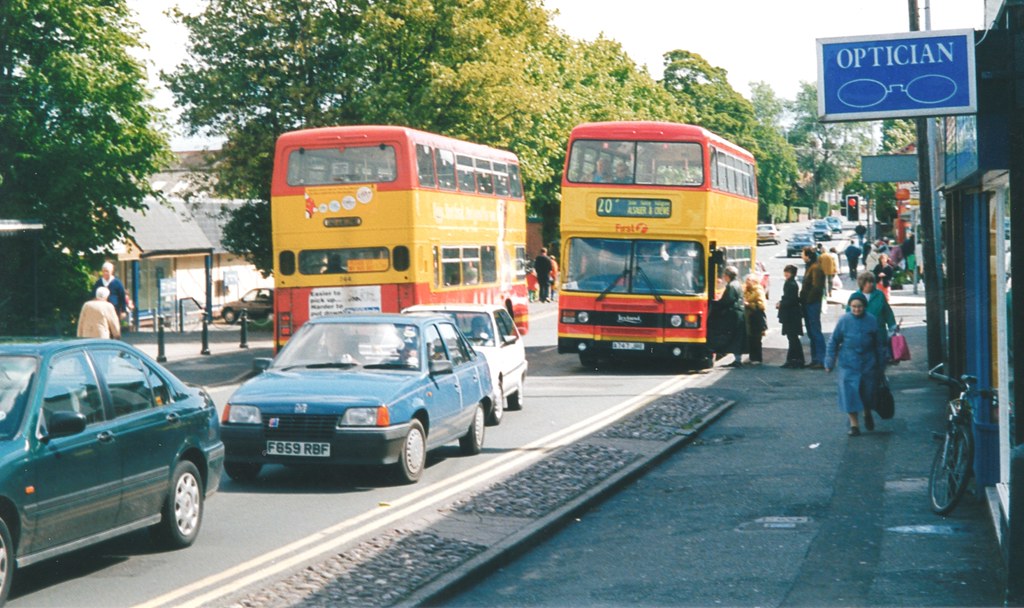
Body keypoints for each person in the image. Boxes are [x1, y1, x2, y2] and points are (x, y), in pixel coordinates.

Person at [824, 292, 889, 436]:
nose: (856, 309)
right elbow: (833, 341)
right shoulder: (844, 320)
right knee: (849, 394)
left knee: (867, 393)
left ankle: (867, 413)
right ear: (849, 306)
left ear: (864, 307)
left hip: (868, 363)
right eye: (853, 307)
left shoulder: (872, 320)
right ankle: (854, 425)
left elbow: (878, 344)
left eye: (859, 307)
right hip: (848, 363)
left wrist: (882, 362)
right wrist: (829, 361)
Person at [710, 266, 746, 367]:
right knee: (737, 336)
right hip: (739, 313)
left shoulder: (731, 286)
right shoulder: (737, 284)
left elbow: (726, 301)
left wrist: (714, 303)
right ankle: (737, 359)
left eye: (724, 275)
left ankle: (736, 360)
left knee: (732, 336)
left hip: (733, 314)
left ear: (727, 276)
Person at [799, 247, 827, 369]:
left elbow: (817, 287)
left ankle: (821, 359)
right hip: (808, 303)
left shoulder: (815, 268)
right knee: (811, 332)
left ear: (808, 256)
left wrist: (808, 301)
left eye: (803, 254)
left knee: (815, 331)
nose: (801, 256)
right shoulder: (811, 267)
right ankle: (815, 359)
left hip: (812, 304)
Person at [848, 271, 896, 336]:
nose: (872, 284)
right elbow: (848, 313)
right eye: (869, 282)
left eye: (873, 282)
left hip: (879, 332)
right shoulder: (855, 296)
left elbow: (887, 311)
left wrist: (892, 326)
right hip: (861, 332)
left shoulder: (879, 295)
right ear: (863, 283)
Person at [777, 264, 805, 368]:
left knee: (792, 338)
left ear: (791, 273)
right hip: (792, 314)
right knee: (792, 338)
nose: (785, 274)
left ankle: (796, 360)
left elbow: (791, 300)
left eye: (787, 272)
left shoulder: (791, 284)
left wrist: (781, 304)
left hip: (791, 315)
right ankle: (793, 359)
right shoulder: (790, 283)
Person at [93, 261, 132, 326]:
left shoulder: (117, 283)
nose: (105, 273)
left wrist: (123, 311)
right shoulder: (98, 283)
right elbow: (93, 295)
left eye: (107, 271)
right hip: (101, 310)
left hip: (114, 310)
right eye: (104, 271)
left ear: (111, 272)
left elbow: (122, 297)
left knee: (114, 327)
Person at [743, 273, 767, 365]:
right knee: (750, 339)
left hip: (756, 318)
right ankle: (752, 357)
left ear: (754, 281)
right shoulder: (747, 290)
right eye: (746, 281)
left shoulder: (758, 290)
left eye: (749, 281)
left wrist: (749, 304)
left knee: (757, 339)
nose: (747, 282)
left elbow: (762, 305)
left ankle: (757, 359)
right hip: (749, 318)